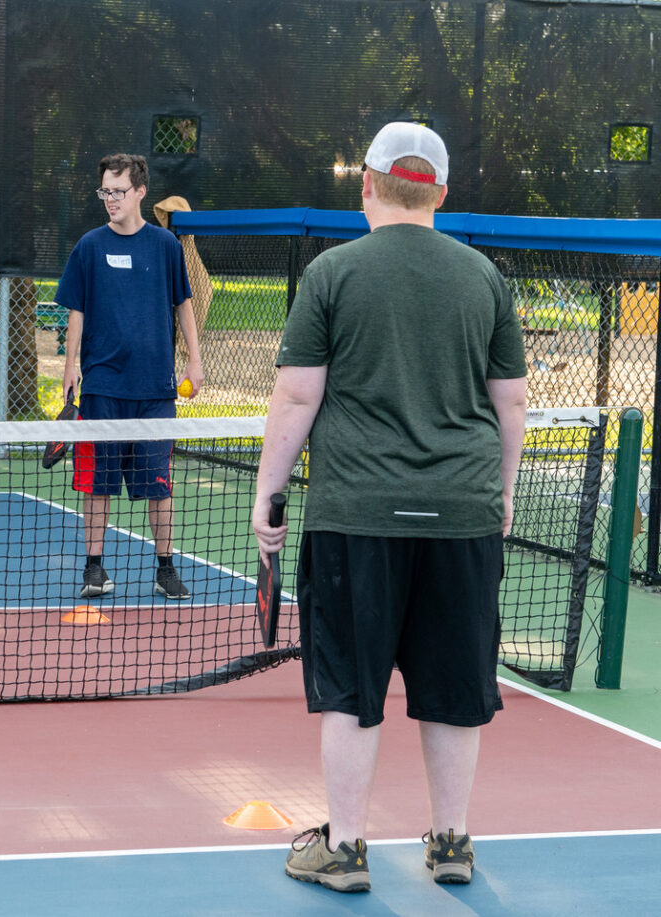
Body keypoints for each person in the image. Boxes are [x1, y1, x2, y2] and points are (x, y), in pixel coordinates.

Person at [253, 122, 527, 893]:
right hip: (463, 514)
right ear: (441, 192)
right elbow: (511, 404)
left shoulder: (331, 273)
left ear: (367, 184)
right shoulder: (485, 277)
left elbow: (297, 396)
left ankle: (345, 849)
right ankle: (452, 842)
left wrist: (268, 492)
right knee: (455, 685)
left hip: (356, 516)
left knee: (350, 686)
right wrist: (502, 493)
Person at [56, 153, 205, 600]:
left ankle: (165, 569)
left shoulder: (165, 245)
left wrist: (194, 362)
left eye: (118, 191)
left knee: (159, 485)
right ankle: (94, 569)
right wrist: (70, 367)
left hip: (156, 389)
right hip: (103, 387)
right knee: (96, 484)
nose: (110, 199)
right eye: (105, 190)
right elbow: (76, 311)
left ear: (140, 191)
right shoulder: (89, 246)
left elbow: (183, 304)